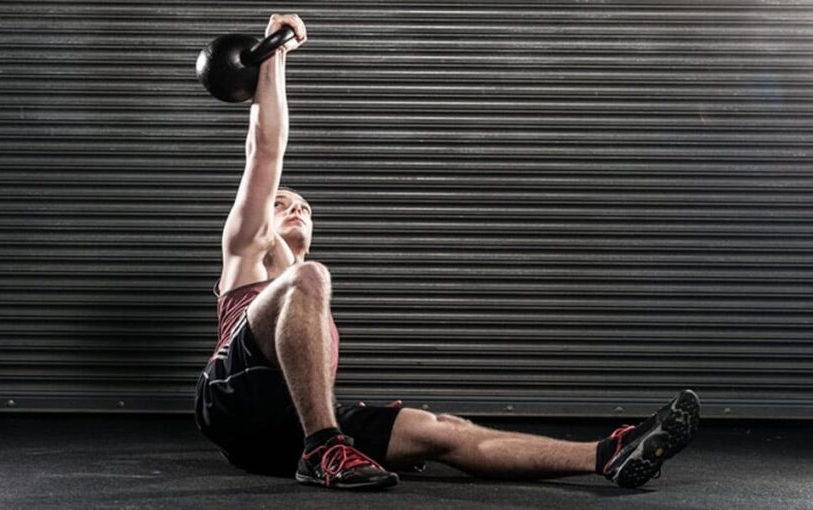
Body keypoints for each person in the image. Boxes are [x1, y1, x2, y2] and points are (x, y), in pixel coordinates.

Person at [194, 13, 701, 491]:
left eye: (305, 205)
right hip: (233, 399)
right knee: (311, 278)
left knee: (441, 429)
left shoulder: (308, 304)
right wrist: (275, 55)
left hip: (287, 429)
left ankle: (607, 455)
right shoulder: (250, 249)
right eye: (284, 202)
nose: (297, 208)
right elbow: (266, 149)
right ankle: (326, 448)